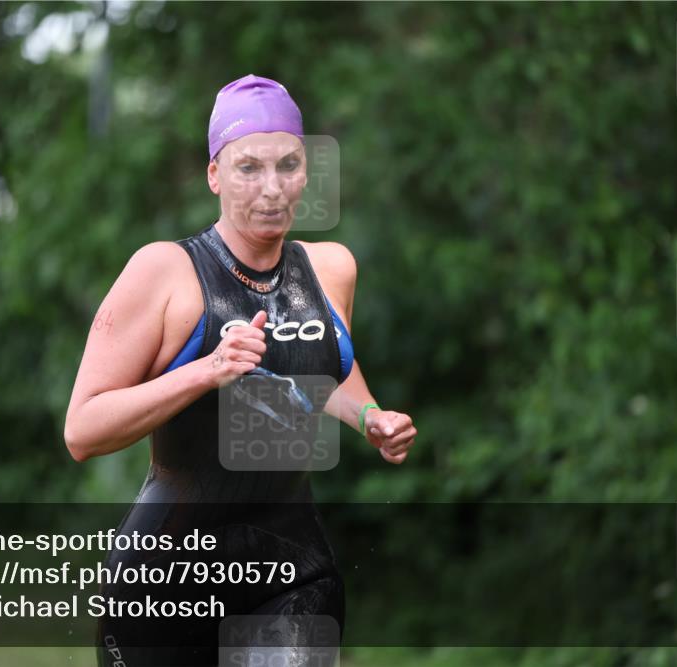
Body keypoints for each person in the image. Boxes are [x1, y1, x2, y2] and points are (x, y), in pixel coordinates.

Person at [64, 74, 416, 667]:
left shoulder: (330, 269)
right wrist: (206, 370)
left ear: (307, 171)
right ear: (214, 175)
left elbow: (321, 371)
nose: (272, 188)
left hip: (293, 574)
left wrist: (370, 416)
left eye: (288, 165)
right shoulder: (164, 272)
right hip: (165, 580)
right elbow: (83, 431)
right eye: (249, 167)